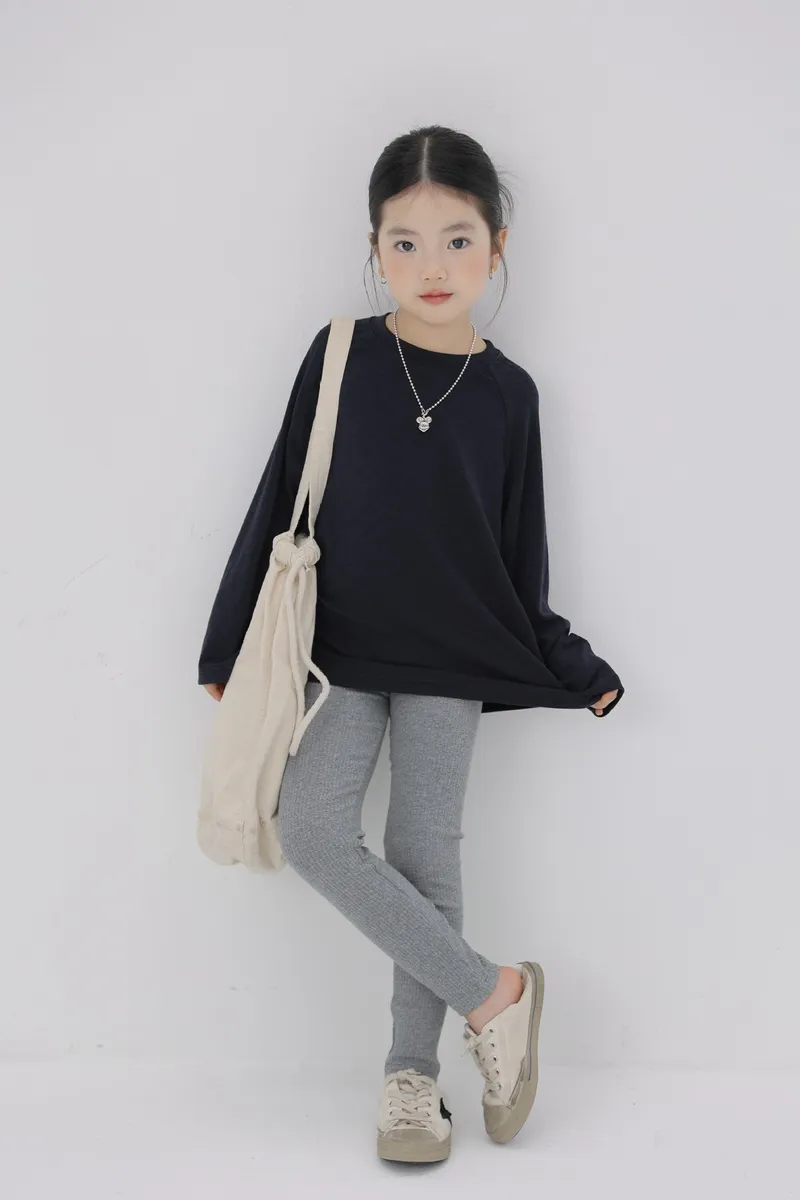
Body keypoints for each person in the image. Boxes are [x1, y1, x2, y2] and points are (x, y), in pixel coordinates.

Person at [197, 124, 625, 1161]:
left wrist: (571, 663)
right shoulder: (340, 352)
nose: (432, 266)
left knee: (426, 856)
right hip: (338, 651)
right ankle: (497, 995)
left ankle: (411, 1079)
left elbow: (517, 558)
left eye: (457, 240)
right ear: (374, 247)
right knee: (313, 832)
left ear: (498, 244)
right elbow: (278, 499)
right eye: (405, 242)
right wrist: (225, 644)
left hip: (452, 657)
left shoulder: (511, 395)